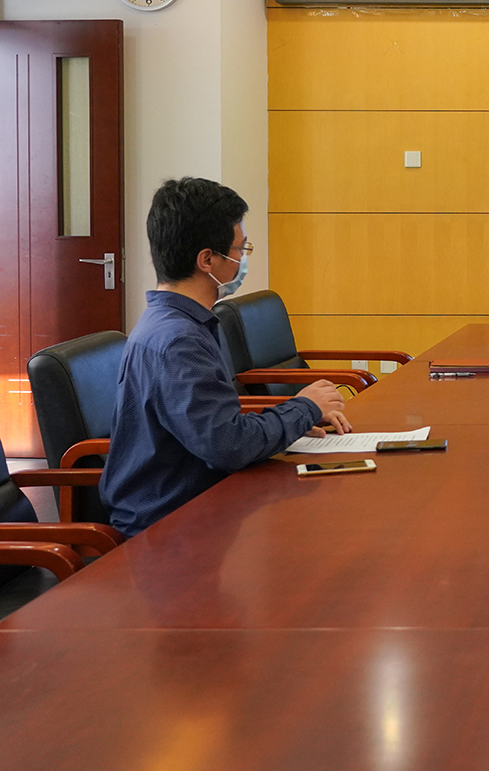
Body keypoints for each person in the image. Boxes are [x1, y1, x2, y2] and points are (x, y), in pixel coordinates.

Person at [100, 178, 350, 537]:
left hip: (197, 503)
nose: (243, 258)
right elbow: (227, 446)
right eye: (240, 248)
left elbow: (215, 427)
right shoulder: (179, 341)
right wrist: (304, 408)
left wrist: (291, 421)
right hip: (169, 527)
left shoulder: (179, 323)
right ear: (207, 259)